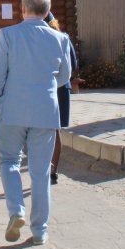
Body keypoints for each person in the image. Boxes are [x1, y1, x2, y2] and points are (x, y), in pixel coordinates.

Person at [0, 0, 72, 246]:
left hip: (11, 109)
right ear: (47, 12)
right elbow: (64, 77)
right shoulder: (61, 39)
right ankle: (40, 231)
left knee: (9, 161)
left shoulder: (8, 34)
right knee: (40, 172)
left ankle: (16, 211)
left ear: (22, 9)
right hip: (45, 111)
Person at [45, 12, 81, 185]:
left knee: (37, 129)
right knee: (55, 130)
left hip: (42, 87)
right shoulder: (63, 37)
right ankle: (53, 171)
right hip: (61, 87)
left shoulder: (36, 39)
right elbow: (73, 64)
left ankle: (42, 169)